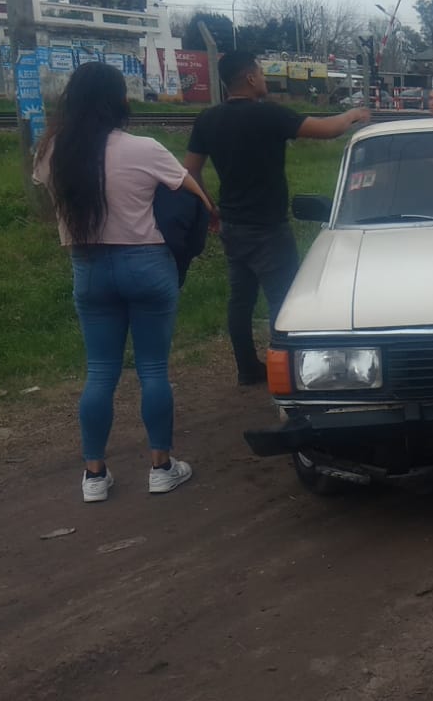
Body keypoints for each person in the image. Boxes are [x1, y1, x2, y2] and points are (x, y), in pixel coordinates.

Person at [33, 62, 214, 502]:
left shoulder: (52, 151)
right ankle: (161, 468)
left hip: (90, 267)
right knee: (153, 369)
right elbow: (199, 197)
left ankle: (94, 477)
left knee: (99, 373)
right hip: (148, 265)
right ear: (120, 102)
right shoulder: (144, 148)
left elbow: (47, 195)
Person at [185, 51, 369, 386]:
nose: (264, 77)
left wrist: (209, 207)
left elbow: (191, 170)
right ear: (251, 77)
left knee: (240, 300)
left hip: (232, 226)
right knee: (283, 301)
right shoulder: (268, 115)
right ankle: (286, 373)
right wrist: (354, 114)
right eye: (260, 71)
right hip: (268, 228)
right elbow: (328, 130)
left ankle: (247, 369)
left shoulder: (207, 119)